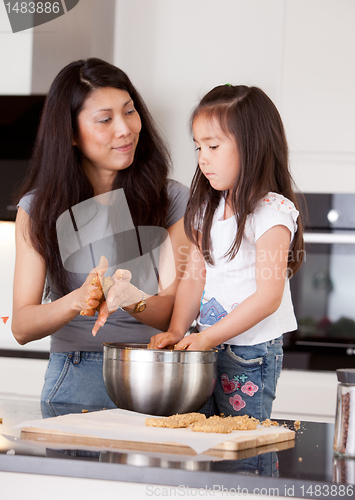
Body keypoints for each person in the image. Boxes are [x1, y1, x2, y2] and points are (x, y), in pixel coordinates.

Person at [12, 58, 190, 407]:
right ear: (71, 135)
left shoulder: (174, 200)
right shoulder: (37, 209)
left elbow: (174, 311)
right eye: (105, 120)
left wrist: (126, 295)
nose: (124, 129)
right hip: (75, 378)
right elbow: (21, 325)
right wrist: (75, 301)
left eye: (129, 111)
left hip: (156, 374)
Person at [149, 85, 304, 421]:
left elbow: (268, 298)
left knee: (242, 446)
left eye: (213, 146)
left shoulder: (272, 212)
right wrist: (178, 331)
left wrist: (207, 337)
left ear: (252, 147)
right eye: (198, 147)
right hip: (207, 344)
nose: (203, 157)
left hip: (249, 353)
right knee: (202, 441)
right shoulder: (207, 208)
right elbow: (194, 276)